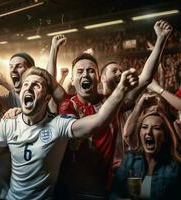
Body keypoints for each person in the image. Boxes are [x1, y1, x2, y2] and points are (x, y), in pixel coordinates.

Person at [0, 66, 138, 199]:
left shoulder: (59, 125)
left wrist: (120, 91)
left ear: (46, 97)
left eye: (37, 86)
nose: (29, 88)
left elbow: (98, 122)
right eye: (26, 85)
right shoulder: (9, 123)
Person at [57, 20, 172, 199]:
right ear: (72, 80)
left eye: (90, 71)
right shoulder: (67, 105)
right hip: (74, 190)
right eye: (79, 72)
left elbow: (146, 78)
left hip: (105, 187)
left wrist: (161, 40)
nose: (85, 74)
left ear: (97, 78)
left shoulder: (111, 103)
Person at [111, 105, 181, 200]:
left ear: (165, 136)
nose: (148, 132)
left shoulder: (175, 167)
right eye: (144, 127)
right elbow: (113, 194)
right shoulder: (130, 159)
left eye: (156, 128)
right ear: (139, 133)